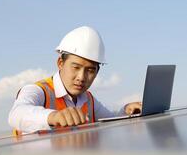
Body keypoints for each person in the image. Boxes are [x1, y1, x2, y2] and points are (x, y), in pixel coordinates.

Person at [9, 26, 142, 134]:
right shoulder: (38, 91)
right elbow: (16, 114)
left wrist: (127, 110)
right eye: (76, 67)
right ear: (60, 63)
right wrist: (54, 116)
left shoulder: (88, 100)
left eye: (90, 70)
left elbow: (111, 120)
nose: (81, 77)